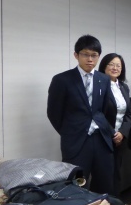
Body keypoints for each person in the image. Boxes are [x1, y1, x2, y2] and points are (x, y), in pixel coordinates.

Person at [47, 35, 116, 194]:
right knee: (76, 185)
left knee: (104, 183)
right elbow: (54, 113)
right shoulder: (62, 80)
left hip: (101, 139)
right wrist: (69, 132)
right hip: (76, 141)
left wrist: (105, 128)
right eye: (85, 54)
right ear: (76, 55)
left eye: (94, 55)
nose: (90, 59)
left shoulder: (103, 79)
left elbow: (105, 109)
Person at [98, 53, 131, 195]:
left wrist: (122, 133)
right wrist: (113, 133)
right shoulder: (99, 86)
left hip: (120, 139)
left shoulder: (124, 87)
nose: (115, 68)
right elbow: (98, 114)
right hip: (104, 137)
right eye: (111, 64)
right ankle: (102, 204)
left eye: (118, 65)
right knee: (104, 175)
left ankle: (115, 202)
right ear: (104, 66)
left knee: (117, 173)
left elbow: (129, 113)